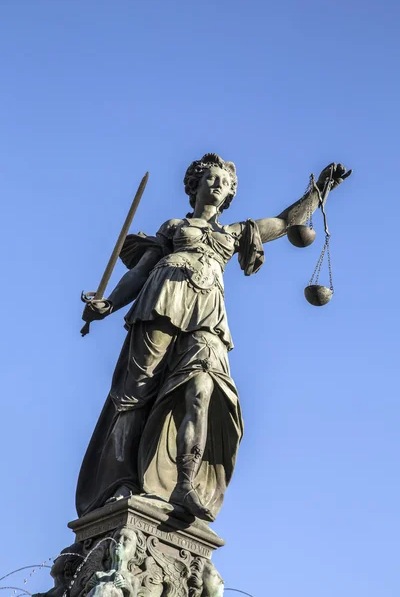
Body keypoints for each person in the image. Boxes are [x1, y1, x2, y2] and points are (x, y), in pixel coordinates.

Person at [77, 153, 350, 522]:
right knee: (135, 393)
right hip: (161, 301)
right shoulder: (174, 226)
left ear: (230, 193)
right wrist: (108, 304)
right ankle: (119, 482)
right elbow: (140, 272)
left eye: (225, 181)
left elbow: (286, 222)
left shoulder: (235, 233)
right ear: (195, 186)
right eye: (210, 178)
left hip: (207, 313)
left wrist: (318, 193)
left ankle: (185, 483)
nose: (218, 184)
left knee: (203, 390)